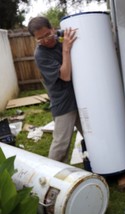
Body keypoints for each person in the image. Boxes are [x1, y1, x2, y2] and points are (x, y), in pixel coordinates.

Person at [28, 16, 82, 163]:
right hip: (63, 101)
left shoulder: (61, 36)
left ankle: (103, 164)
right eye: (40, 39)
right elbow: (65, 76)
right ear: (35, 39)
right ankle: (51, 179)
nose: (46, 40)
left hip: (82, 96)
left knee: (92, 135)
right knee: (61, 145)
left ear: (53, 28)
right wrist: (66, 50)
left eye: (48, 34)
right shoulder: (41, 55)